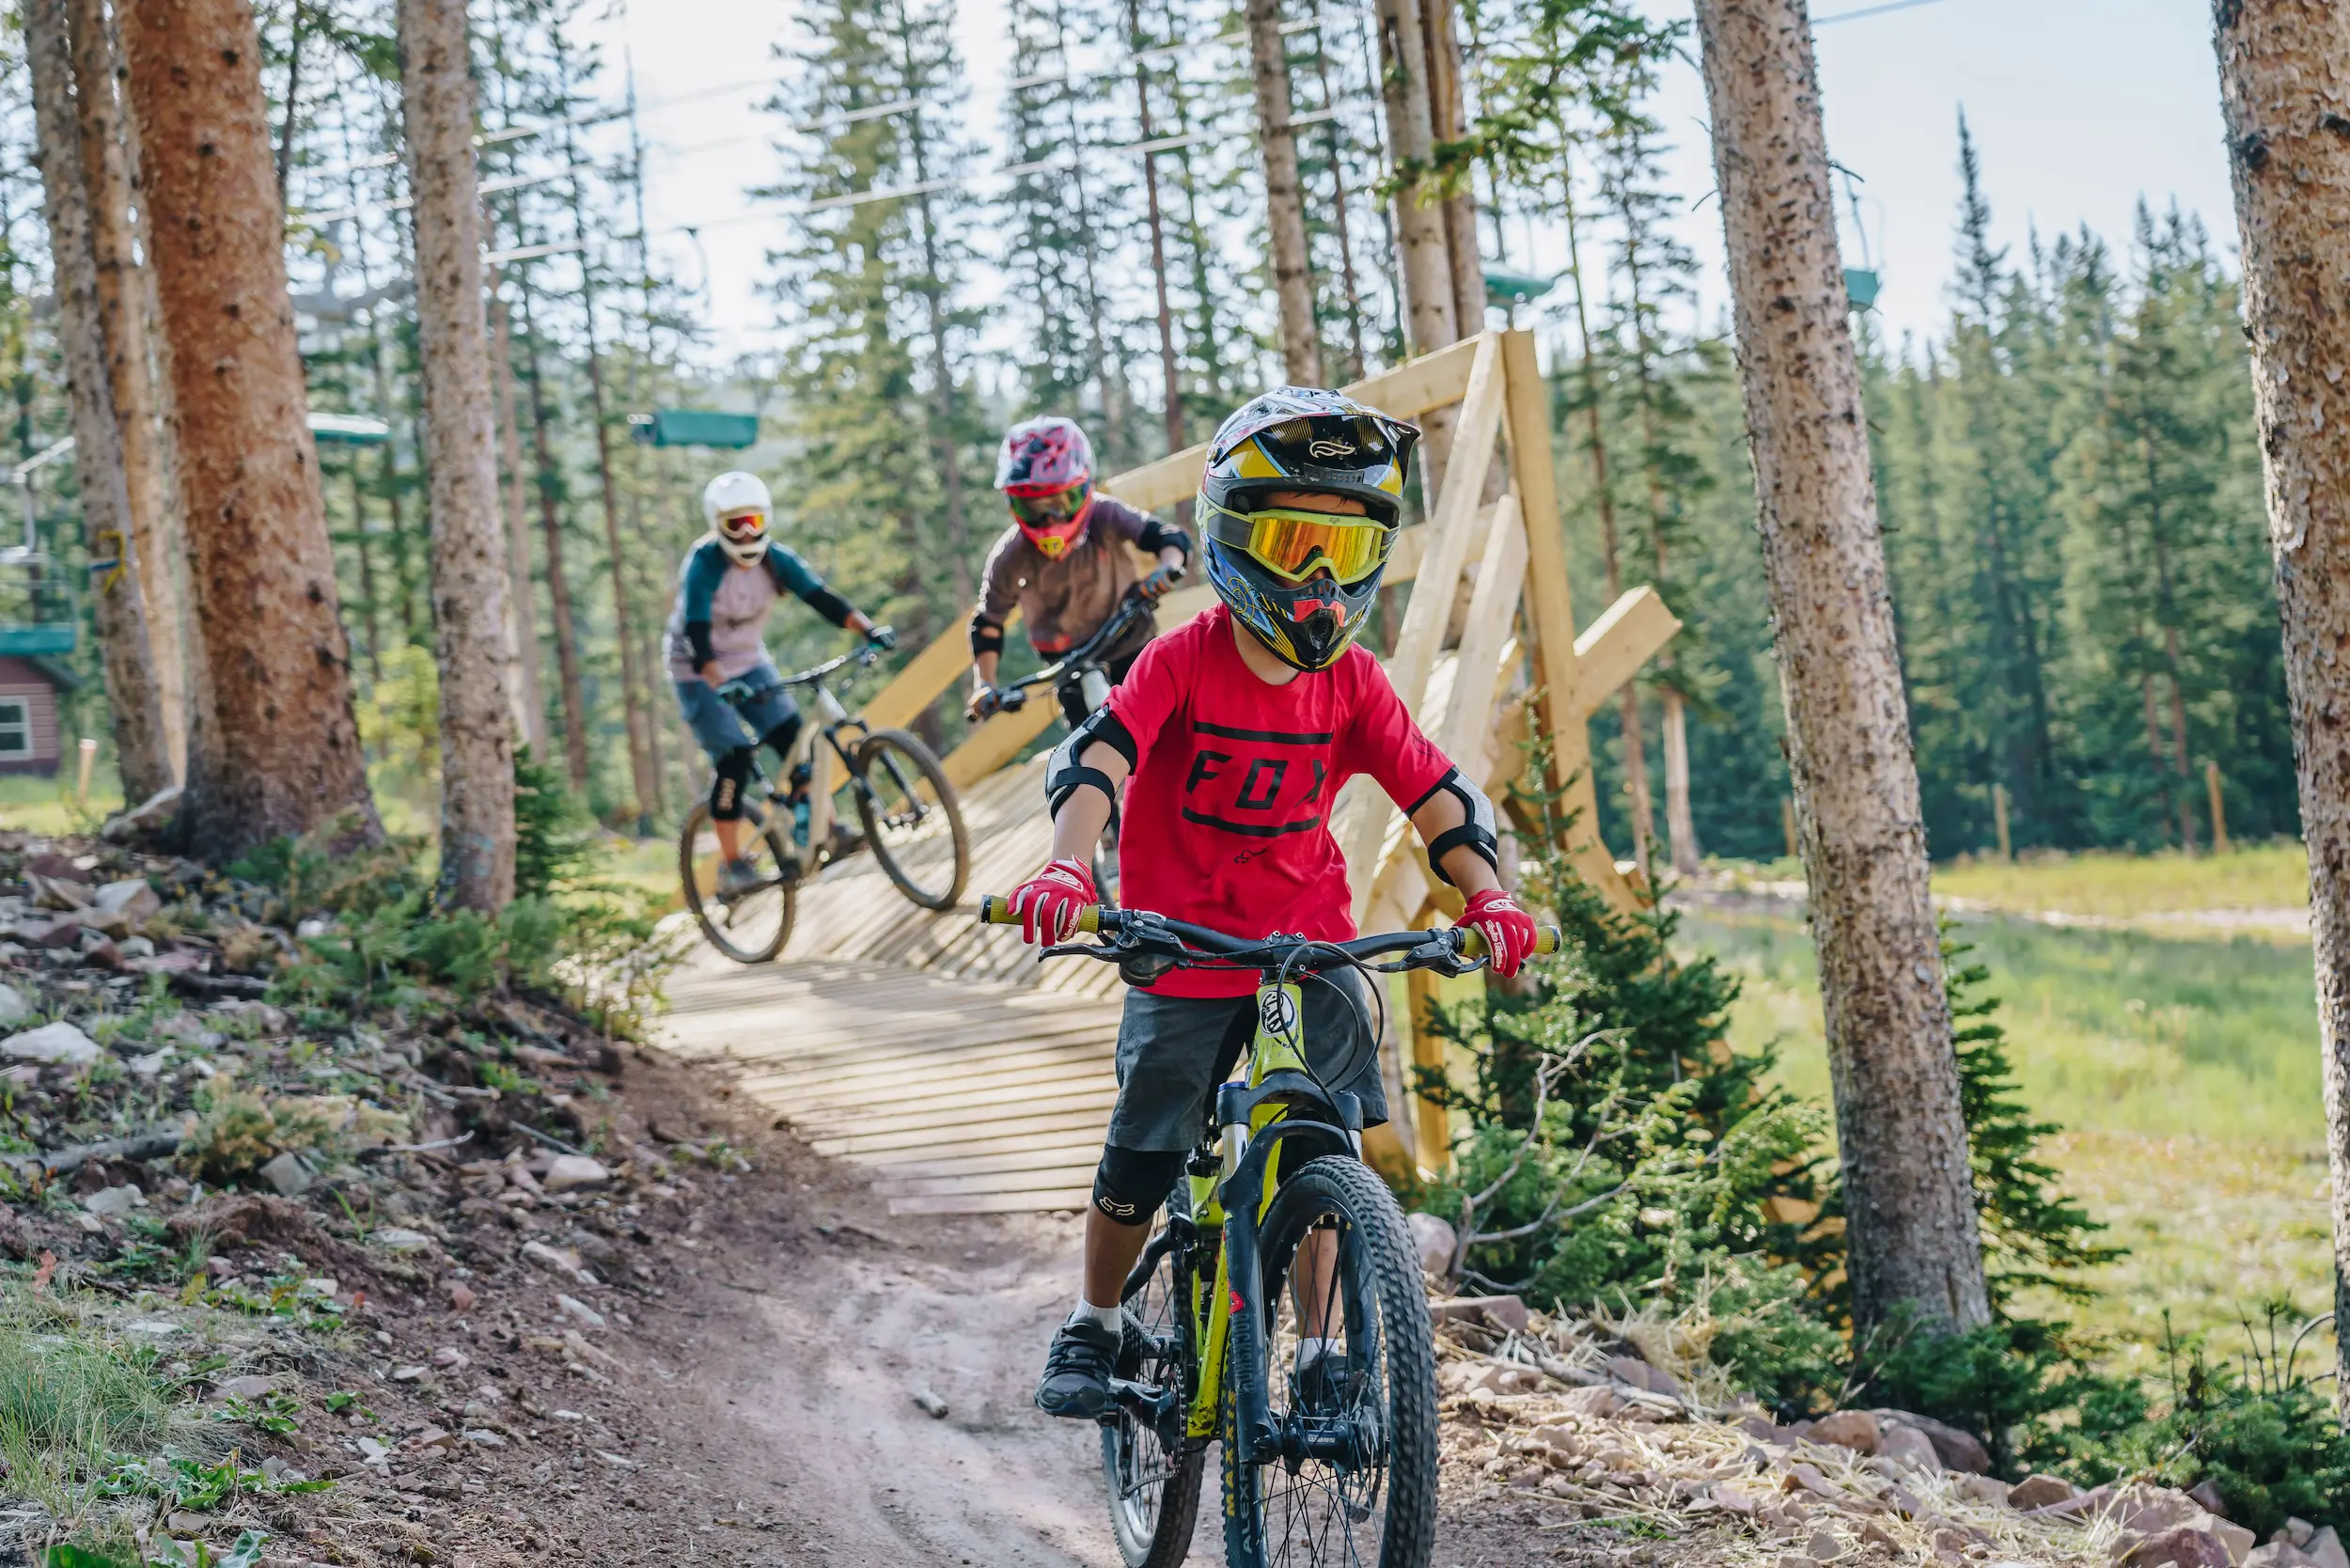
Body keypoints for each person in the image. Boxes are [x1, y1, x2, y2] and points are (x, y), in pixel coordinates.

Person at [998, 387, 1540, 1420]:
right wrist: (1068, 867)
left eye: (1343, 547)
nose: (1319, 578)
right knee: (1146, 1142)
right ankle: (1096, 1320)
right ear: (1232, 539)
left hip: (1309, 945)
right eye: (1293, 542)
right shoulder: (1181, 659)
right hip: (1181, 942)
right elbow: (1099, 756)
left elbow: (1436, 793)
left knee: (1318, 1141)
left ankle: (1318, 1351)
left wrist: (1489, 894)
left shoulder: (1355, 683)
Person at [665, 470, 893, 897]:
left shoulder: (776, 560)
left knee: (795, 743)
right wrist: (718, 682)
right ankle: (732, 865)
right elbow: (696, 634)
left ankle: (827, 831)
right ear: (718, 525)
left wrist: (868, 628)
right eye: (737, 525)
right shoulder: (704, 564)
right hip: (696, 669)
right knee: (733, 759)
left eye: (754, 521)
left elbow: (821, 597)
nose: (748, 533)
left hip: (750, 660)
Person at [965, 416, 1192, 729]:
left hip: (1129, 636)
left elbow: (1167, 538)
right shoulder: (1010, 556)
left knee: (1169, 726)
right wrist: (985, 684)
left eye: (1061, 502)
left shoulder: (1105, 514)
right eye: (1033, 508)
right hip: (1067, 661)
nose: (1050, 521)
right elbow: (987, 623)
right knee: (1087, 748)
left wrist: (1167, 568)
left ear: (1086, 488)